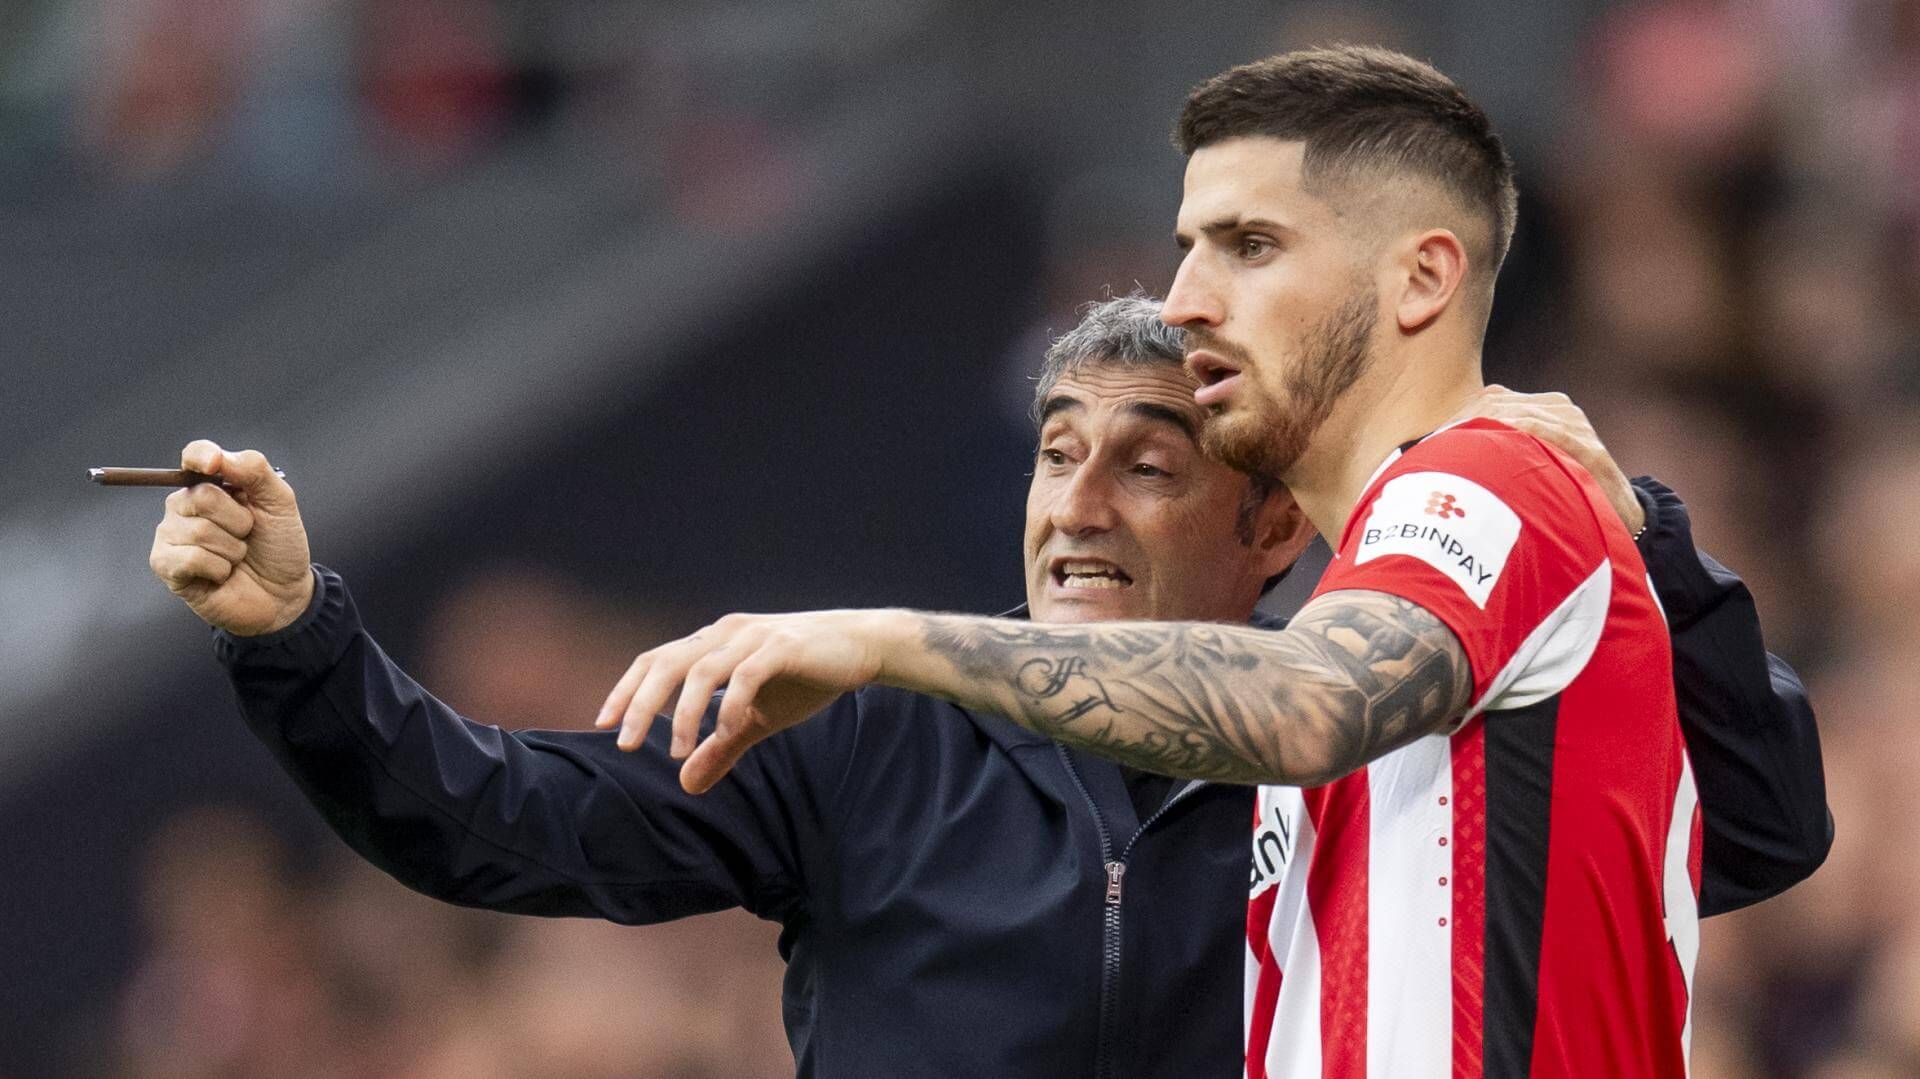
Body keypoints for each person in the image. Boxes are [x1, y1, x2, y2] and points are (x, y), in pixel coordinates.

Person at [151, 294, 1825, 1078]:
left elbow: (1754, 826)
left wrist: (1639, 536)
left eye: (1146, 465)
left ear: (1269, 528)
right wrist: (297, 632)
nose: (1076, 504)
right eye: (1054, 451)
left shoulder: (1378, 737)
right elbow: (492, 820)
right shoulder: (864, 723)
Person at [596, 49, 1805, 1078]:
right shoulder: (1382, 578)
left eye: (1250, 245)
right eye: (1189, 248)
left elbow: (1306, 705)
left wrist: (885, 642)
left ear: (1423, 276)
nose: (1181, 302)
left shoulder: (1484, 478)